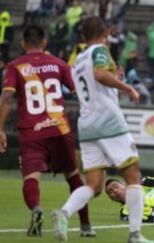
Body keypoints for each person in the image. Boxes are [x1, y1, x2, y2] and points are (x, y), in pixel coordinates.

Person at [50, 17, 154, 243]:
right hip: (108, 121)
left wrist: (115, 79)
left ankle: (64, 213)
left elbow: (89, 88)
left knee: (94, 185)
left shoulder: (78, 60)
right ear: (105, 32)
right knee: (133, 175)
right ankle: (136, 235)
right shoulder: (100, 50)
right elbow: (99, 75)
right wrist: (127, 88)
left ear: (82, 37)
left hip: (87, 125)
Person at [0, 25, 94, 237]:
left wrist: (0, 129)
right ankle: (86, 226)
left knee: (30, 178)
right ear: (44, 43)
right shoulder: (59, 64)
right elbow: (78, 92)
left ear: (23, 43)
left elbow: (6, 97)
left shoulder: (15, 66)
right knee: (73, 176)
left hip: (31, 132)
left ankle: (36, 209)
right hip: (59, 128)